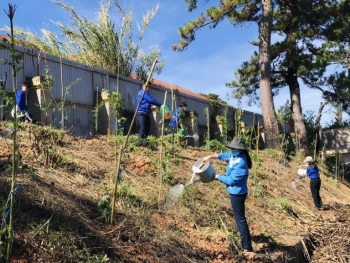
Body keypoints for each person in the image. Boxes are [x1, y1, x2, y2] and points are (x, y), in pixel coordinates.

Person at [202, 137, 254, 256]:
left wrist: (217, 177)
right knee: (239, 218)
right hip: (235, 192)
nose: (232, 150)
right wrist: (210, 156)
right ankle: (246, 244)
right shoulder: (235, 156)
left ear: (240, 150)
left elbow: (231, 181)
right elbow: (225, 155)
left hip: (238, 194)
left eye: (234, 149)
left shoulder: (241, 163)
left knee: (240, 219)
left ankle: (247, 247)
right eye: (232, 148)